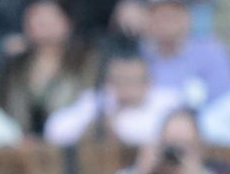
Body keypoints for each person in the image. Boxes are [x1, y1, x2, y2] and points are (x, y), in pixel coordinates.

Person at [0, 0, 101, 134]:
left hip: (70, 140)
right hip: (20, 141)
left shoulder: (85, 61)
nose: (42, 23)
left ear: (67, 22)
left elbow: (90, 105)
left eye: (49, 16)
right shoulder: (16, 65)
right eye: (35, 16)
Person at [44, 47, 183, 143]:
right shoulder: (96, 100)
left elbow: (167, 135)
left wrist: (116, 127)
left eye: (132, 81)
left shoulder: (168, 101)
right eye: (118, 81)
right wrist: (90, 126)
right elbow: (54, 129)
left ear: (148, 83)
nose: (125, 88)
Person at [141, 0, 230, 105]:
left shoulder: (212, 52)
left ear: (187, 19)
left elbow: (227, 101)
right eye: (159, 16)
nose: (165, 23)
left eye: (172, 16)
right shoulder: (139, 54)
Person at [111, 105, 230, 174]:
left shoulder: (223, 172)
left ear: (200, 146)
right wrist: (141, 172)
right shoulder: (151, 172)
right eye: (169, 144)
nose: (175, 153)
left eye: (184, 145)